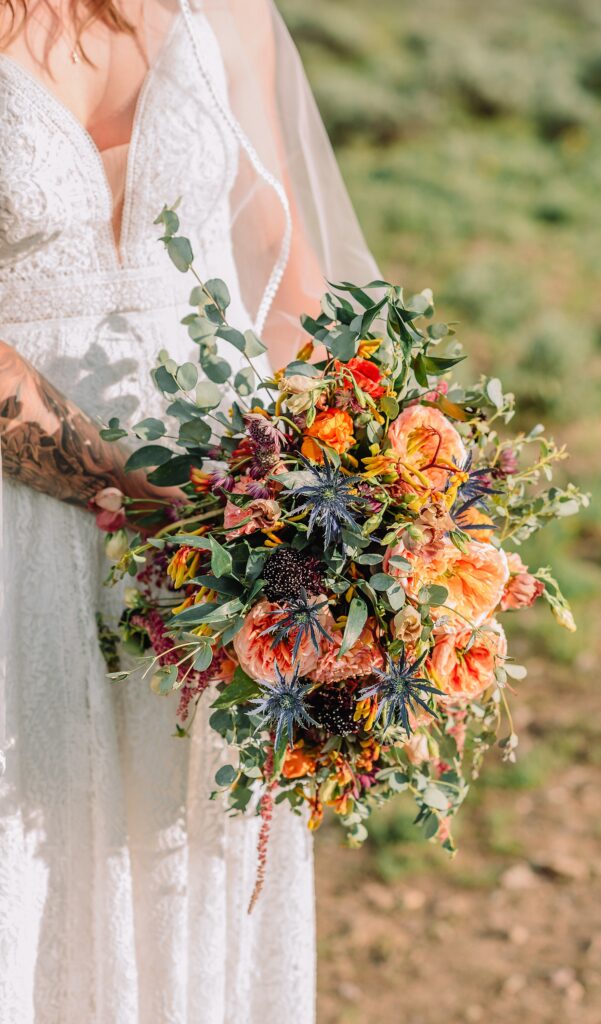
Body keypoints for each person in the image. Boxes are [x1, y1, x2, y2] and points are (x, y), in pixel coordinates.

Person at [0, 1, 376, 1020]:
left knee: (187, 837)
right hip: (22, 522)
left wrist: (327, 508)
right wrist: (132, 487)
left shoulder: (225, 11)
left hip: (223, 532)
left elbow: (289, 276)